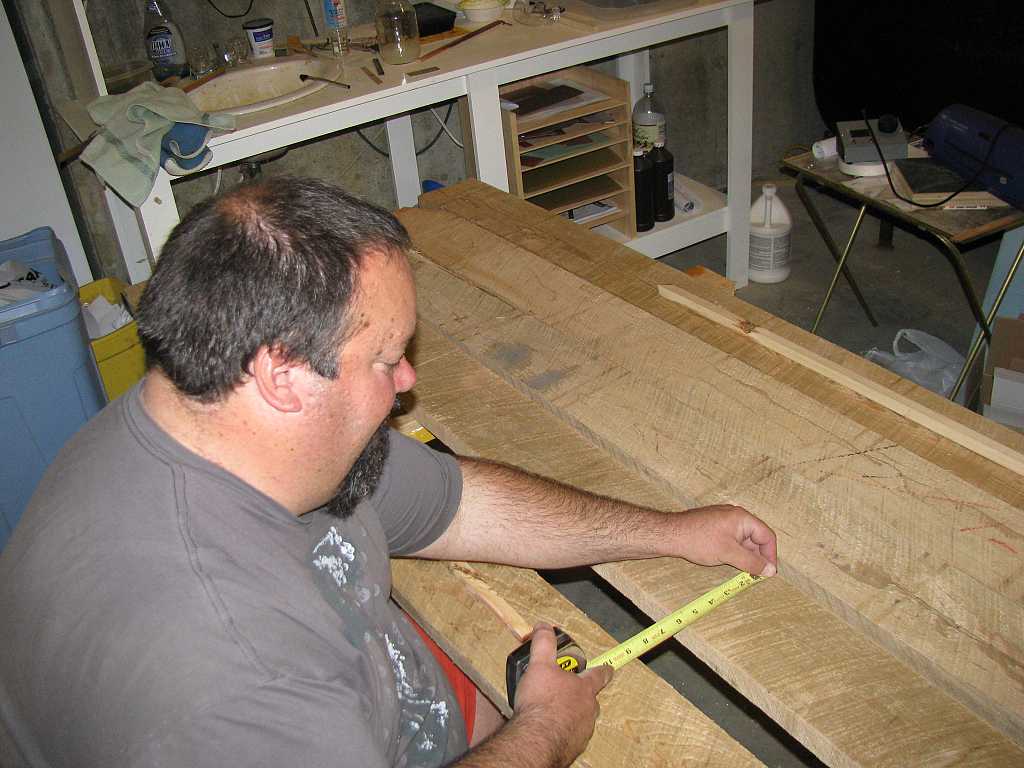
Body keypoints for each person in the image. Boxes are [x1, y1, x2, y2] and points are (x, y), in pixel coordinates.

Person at [0, 177, 777, 768]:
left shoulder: (228, 425)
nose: (407, 382)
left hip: (385, 699)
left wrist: (672, 532)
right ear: (283, 374)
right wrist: (545, 730)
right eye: (385, 360)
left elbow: (462, 504)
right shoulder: (237, 678)